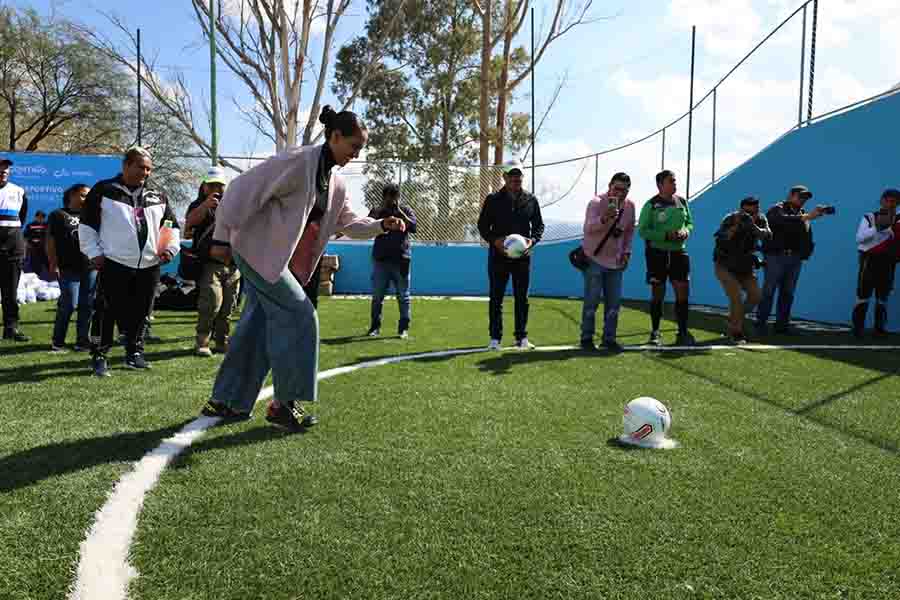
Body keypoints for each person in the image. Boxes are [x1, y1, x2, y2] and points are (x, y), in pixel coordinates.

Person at [199, 105, 406, 432]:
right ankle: (283, 405)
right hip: (254, 252)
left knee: (257, 325)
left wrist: (381, 225)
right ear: (335, 136)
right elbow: (238, 190)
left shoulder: (335, 183)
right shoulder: (296, 162)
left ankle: (227, 401)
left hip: (278, 262)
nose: (356, 154)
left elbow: (349, 224)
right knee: (300, 315)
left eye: (360, 148)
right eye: (354, 146)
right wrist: (222, 238)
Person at [79, 146, 181, 376]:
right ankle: (99, 355)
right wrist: (93, 252)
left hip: (149, 264)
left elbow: (171, 226)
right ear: (125, 165)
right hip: (114, 262)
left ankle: (134, 353)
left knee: (141, 311)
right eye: (141, 167)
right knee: (106, 311)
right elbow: (86, 225)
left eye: (148, 169)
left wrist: (170, 249)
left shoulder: (158, 194)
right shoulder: (104, 190)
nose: (145, 173)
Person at [477, 160, 545, 350]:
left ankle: (521, 337)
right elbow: (482, 226)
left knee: (522, 298)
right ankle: (495, 339)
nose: (516, 178)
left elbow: (539, 226)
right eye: (512, 175)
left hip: (523, 258)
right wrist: (495, 241)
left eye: (519, 175)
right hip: (498, 257)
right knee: (496, 298)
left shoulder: (531, 200)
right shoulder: (492, 200)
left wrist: (533, 240)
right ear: (504, 177)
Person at [755, 185, 829, 335]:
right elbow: (779, 220)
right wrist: (807, 217)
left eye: (806, 198)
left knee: (788, 293)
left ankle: (782, 326)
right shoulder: (777, 208)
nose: (803, 200)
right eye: (800, 196)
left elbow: (806, 236)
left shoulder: (802, 213)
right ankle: (760, 323)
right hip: (775, 256)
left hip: (794, 258)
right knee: (769, 291)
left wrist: (804, 254)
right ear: (791, 195)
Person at [185, 166, 240, 356]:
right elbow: (189, 222)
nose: (216, 189)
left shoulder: (233, 205)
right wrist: (205, 205)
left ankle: (222, 342)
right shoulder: (197, 205)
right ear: (204, 186)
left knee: (228, 308)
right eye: (212, 185)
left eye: (219, 185)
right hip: (210, 264)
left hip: (233, 265)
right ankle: (202, 342)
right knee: (211, 304)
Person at [579, 172, 636, 353]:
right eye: (617, 188)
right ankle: (586, 338)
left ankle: (609, 339)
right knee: (592, 301)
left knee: (614, 303)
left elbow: (628, 233)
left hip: (616, 261)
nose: (620, 193)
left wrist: (627, 253)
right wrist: (605, 218)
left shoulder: (630, 206)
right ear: (609, 186)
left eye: (624, 191)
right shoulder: (596, 202)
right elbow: (588, 228)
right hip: (594, 258)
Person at [637, 170, 695, 346]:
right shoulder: (651, 205)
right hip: (657, 254)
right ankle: (655, 332)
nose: (675, 184)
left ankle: (683, 331)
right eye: (671, 181)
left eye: (675, 181)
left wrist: (686, 231)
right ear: (660, 185)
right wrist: (665, 235)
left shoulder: (682, 202)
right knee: (658, 293)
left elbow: (690, 223)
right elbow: (643, 231)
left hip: (679, 253)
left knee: (683, 292)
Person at [713, 196, 772, 344]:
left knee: (756, 296)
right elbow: (721, 239)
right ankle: (737, 332)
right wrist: (736, 226)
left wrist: (753, 225)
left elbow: (767, 235)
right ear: (741, 209)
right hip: (725, 265)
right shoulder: (730, 218)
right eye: (747, 212)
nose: (751, 215)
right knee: (736, 297)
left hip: (745, 266)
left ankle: (734, 318)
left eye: (754, 212)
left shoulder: (760, 219)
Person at [47, 184, 96, 351]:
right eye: (83, 195)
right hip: (68, 268)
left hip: (90, 267)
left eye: (88, 196)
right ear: (72, 195)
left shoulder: (92, 215)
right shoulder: (58, 215)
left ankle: (82, 342)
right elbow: (51, 242)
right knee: (69, 305)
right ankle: (58, 342)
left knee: (87, 305)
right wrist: (53, 264)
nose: (86, 199)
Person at [367, 183, 417, 338]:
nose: (392, 201)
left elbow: (414, 226)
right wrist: (383, 211)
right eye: (389, 197)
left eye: (394, 197)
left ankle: (403, 329)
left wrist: (400, 212)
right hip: (381, 260)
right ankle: (375, 327)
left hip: (401, 260)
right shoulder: (377, 211)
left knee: (403, 296)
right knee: (377, 296)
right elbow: (367, 226)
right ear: (383, 197)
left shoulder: (406, 210)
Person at [852, 188, 900, 337]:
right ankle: (858, 328)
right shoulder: (870, 217)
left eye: (895, 201)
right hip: (870, 259)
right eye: (888, 200)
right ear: (882, 201)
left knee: (883, 296)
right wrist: (877, 228)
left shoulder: (899, 219)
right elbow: (859, 239)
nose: (891, 204)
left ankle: (879, 329)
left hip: (889, 261)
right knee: (863, 294)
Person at [0, 157, 30, 342]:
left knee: (10, 292)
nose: (2, 172)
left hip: (13, 247)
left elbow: (22, 217)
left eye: (5, 169)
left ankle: (11, 328)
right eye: (0, 169)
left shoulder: (19, 191)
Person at [24, 210, 49, 277]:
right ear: (35, 217)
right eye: (39, 217)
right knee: (34, 264)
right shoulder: (30, 225)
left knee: (47, 264)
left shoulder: (47, 225)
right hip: (33, 249)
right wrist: (28, 245)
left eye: (42, 217)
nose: (40, 219)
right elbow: (25, 237)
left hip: (45, 249)